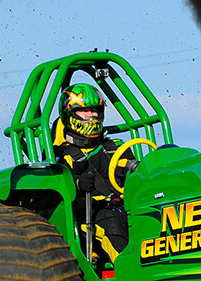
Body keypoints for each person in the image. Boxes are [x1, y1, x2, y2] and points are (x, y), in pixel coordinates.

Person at [52, 83, 139, 265]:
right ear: (70, 114)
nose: (92, 115)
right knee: (115, 226)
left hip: (127, 207)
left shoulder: (115, 146)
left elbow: (135, 175)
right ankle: (132, 278)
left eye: (95, 110)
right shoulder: (62, 155)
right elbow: (56, 191)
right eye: (85, 111)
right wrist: (78, 184)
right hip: (90, 215)